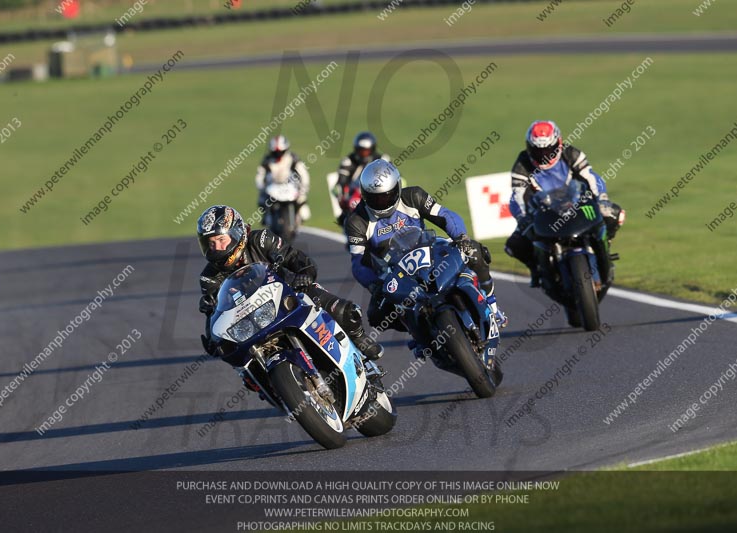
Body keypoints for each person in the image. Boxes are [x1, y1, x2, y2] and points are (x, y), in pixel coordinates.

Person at [197, 206, 383, 393]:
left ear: (236, 234)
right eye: (210, 243)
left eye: (221, 240)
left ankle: (360, 342)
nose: (216, 248)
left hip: (290, 296)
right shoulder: (209, 277)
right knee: (244, 372)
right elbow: (214, 313)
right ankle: (276, 388)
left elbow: (296, 258)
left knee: (343, 311)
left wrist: (304, 275)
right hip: (252, 323)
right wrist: (212, 337)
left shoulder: (261, 240)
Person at [345, 159, 506, 340]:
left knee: (475, 252)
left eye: (387, 196)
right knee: (376, 315)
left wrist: (461, 238)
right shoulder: (357, 221)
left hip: (431, 250)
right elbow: (358, 262)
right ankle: (420, 334)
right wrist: (374, 284)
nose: (382, 202)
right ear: (365, 195)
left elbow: (444, 215)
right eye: (376, 198)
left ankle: (491, 305)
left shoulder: (413, 196)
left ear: (397, 187)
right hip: (395, 271)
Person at [505, 120, 624, 287]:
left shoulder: (571, 154)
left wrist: (601, 198)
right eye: (538, 151)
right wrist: (524, 217)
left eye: (548, 150)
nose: (544, 155)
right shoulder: (522, 163)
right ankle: (537, 268)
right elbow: (518, 195)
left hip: (577, 202)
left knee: (614, 214)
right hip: (544, 210)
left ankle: (604, 247)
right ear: (529, 148)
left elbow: (591, 177)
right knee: (514, 245)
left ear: (558, 144)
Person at [333, 132, 391, 227]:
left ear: (372, 149)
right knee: (345, 217)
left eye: (366, 151)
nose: (364, 154)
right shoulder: (348, 161)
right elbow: (341, 182)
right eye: (361, 151)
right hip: (355, 195)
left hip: (378, 193)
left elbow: (395, 178)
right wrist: (341, 197)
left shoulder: (382, 159)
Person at [255, 135, 311, 225]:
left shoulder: (292, 158)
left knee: (303, 205)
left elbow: (303, 173)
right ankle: (267, 217)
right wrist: (262, 187)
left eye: (281, 152)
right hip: (273, 186)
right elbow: (260, 175)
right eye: (275, 152)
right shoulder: (267, 160)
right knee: (262, 200)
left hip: (290, 186)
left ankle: (297, 217)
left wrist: (304, 187)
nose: (278, 155)